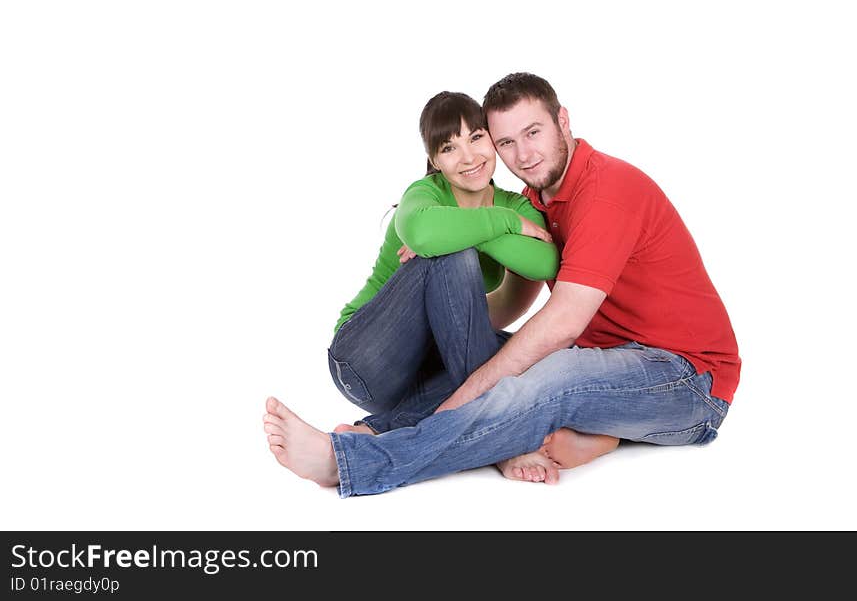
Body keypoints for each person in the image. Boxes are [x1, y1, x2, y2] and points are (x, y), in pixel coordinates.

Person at [263, 73, 741, 496]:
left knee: (544, 378)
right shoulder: (538, 198)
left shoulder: (608, 191)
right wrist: (442, 309)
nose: (524, 154)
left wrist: (466, 396)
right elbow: (513, 304)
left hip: (687, 379)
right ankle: (375, 433)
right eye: (507, 142)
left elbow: (562, 324)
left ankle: (351, 462)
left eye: (533, 132)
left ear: (564, 121)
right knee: (506, 365)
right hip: (606, 361)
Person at [323, 90, 558, 437]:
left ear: (492, 140)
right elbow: (421, 231)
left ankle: (375, 433)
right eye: (449, 148)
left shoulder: (514, 205)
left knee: (540, 355)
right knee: (451, 254)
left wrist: (468, 228)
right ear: (434, 160)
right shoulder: (424, 195)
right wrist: (497, 225)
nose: (468, 157)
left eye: (476, 138)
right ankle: (493, 430)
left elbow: (546, 262)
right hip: (366, 358)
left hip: (431, 374)